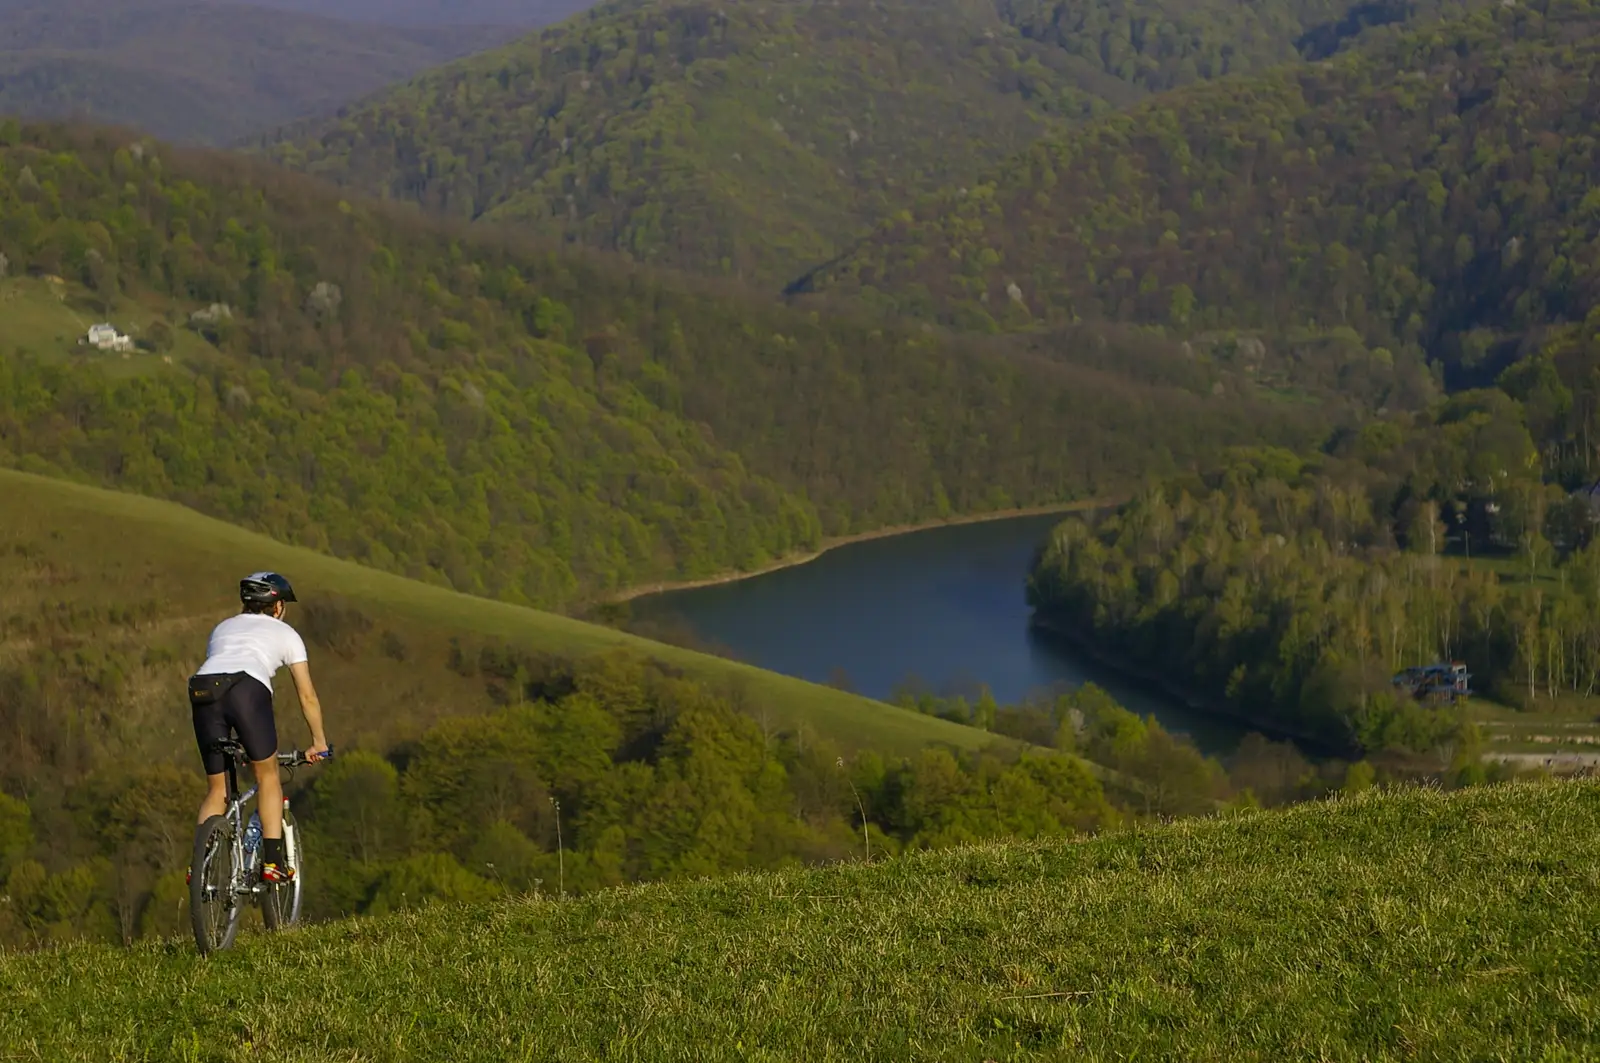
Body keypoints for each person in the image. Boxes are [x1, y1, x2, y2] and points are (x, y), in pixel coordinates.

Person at [188, 571, 330, 883]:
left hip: (202, 690)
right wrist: (318, 741)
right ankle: (273, 863)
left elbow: (222, 672)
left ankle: (199, 867)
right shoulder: (286, 634)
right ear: (277, 606)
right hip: (247, 690)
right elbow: (307, 696)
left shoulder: (222, 627)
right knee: (267, 775)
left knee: (217, 789)